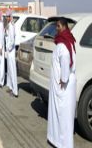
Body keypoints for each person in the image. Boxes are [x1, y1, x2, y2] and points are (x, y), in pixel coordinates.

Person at [47, 18, 76, 148]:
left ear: (64, 27)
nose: (56, 28)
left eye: (58, 26)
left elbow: (65, 61)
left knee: (63, 115)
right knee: (58, 113)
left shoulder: (63, 45)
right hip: (61, 84)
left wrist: (63, 79)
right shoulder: (65, 41)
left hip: (63, 85)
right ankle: (56, 139)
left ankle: (64, 143)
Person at [5, 11, 18, 97]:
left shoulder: (12, 26)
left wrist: (8, 48)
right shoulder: (9, 25)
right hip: (8, 50)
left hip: (11, 50)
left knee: (12, 70)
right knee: (9, 69)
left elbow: (12, 40)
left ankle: (15, 91)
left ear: (11, 17)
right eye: (6, 16)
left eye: (8, 16)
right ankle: (10, 87)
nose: (7, 18)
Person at [0, 11, 5, 87]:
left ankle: (1, 81)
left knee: (1, 64)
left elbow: (1, 38)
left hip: (1, 48)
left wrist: (1, 48)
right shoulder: (0, 24)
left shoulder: (1, 25)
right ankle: (0, 79)